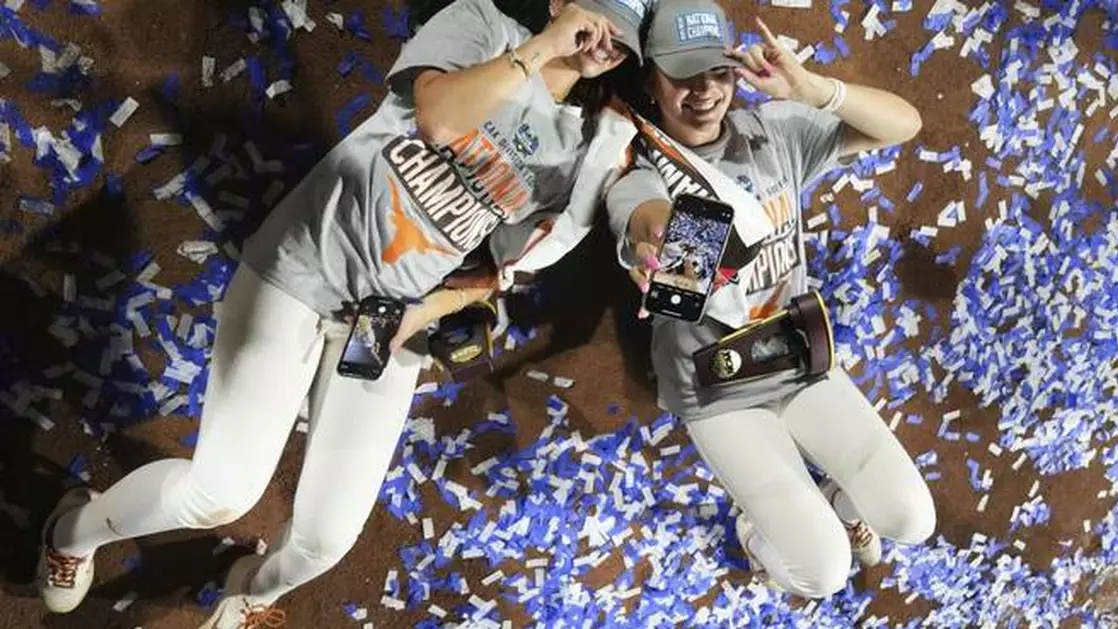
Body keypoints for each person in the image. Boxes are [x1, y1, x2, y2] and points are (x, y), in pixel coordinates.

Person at [36, 0, 652, 626]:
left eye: (621, 35)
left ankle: (250, 591)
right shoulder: (483, 26)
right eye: (596, 15)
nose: (603, 40)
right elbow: (438, 118)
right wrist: (543, 48)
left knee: (325, 541)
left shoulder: (585, 144)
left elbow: (502, 266)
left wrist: (434, 307)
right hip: (306, 266)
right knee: (221, 493)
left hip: (391, 322)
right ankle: (74, 531)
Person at [606, 0, 936, 598]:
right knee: (823, 572)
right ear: (651, 81)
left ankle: (840, 498)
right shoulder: (642, 172)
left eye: (717, 71)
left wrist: (817, 89)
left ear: (736, 70)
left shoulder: (772, 133)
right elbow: (641, 215)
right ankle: (757, 534)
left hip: (798, 358)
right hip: (718, 390)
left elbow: (905, 124)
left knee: (913, 519)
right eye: (683, 75)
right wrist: (656, 232)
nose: (704, 91)